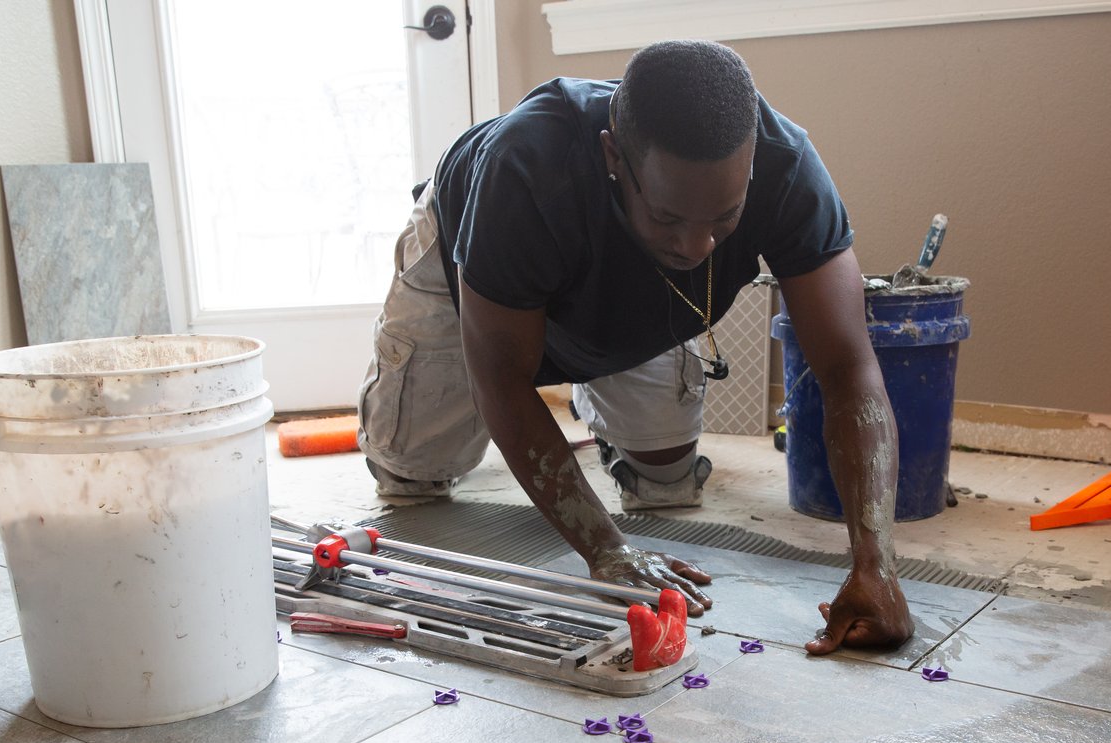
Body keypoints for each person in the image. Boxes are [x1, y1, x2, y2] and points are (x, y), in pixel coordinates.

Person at [357, 39, 913, 655]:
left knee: (665, 483)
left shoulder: (788, 165)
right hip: (469, 259)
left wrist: (876, 563)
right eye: (672, 218)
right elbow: (502, 380)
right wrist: (607, 550)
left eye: (723, 219)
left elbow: (847, 366)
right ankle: (449, 411)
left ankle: (587, 390)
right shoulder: (524, 169)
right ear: (613, 156)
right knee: (411, 475)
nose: (700, 245)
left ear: (754, 163)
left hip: (627, 289)